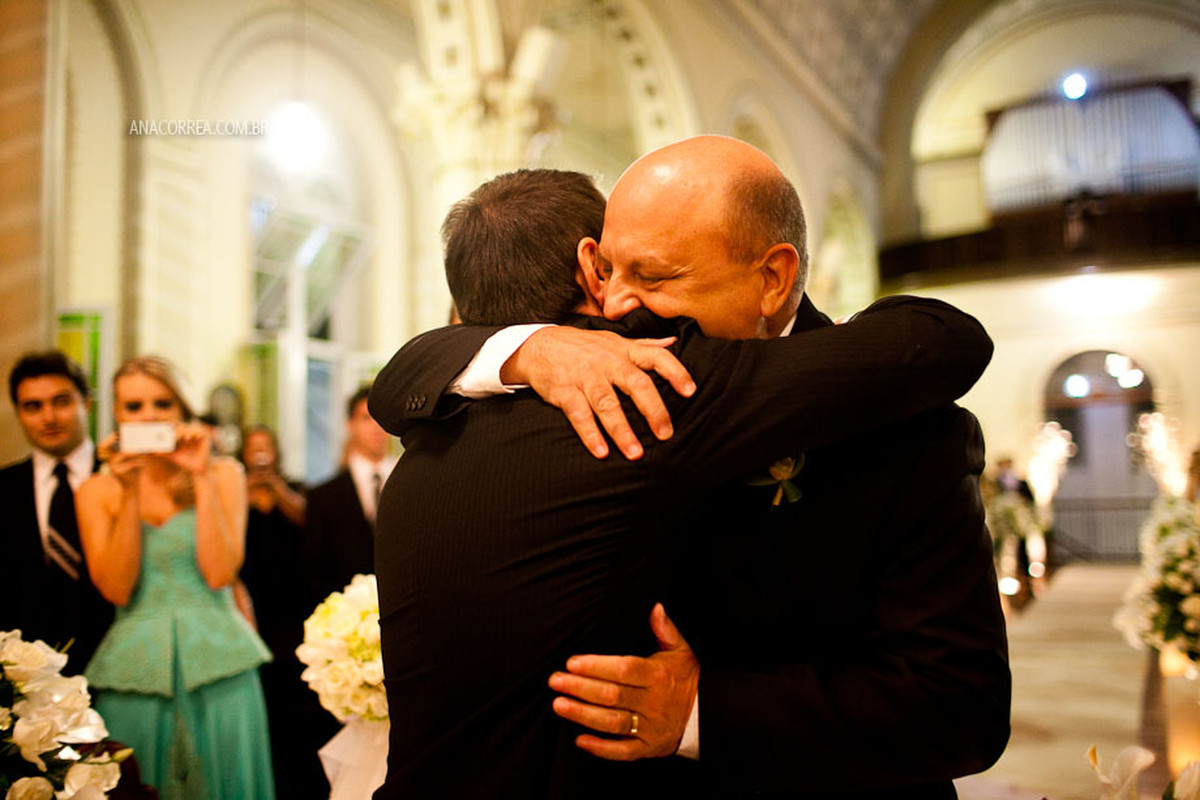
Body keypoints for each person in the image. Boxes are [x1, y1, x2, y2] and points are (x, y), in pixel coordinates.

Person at [370, 163, 1005, 797]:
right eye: (608, 271)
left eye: (651, 275)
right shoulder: (606, 381)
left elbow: (962, 709)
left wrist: (706, 713)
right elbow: (406, 378)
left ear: (773, 278)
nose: (616, 303)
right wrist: (530, 348)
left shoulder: (902, 421)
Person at [76, 355, 274, 799]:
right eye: (133, 406)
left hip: (222, 669)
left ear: (182, 411)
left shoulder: (224, 475)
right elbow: (115, 587)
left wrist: (200, 476)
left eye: (161, 404)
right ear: (116, 414)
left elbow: (221, 572)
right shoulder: (96, 490)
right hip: (135, 674)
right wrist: (128, 492)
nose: (148, 416)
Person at [0, 351, 113, 674]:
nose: (48, 417)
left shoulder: (121, 479)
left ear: (86, 403)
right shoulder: (4, 488)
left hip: (117, 663)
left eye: (61, 402)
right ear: (19, 413)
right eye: (32, 407)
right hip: (27, 677)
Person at [237, 426, 326, 799]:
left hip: (292, 604)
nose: (259, 455)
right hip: (252, 601)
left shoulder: (292, 486)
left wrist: (274, 486)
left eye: (265, 448)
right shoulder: (232, 489)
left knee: (296, 690)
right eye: (253, 449)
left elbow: (306, 520)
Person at [303, 385, 394, 606]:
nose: (376, 427)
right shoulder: (323, 497)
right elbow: (315, 569)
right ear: (350, 425)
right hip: (347, 611)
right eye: (366, 418)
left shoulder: (411, 483)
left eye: (381, 418)